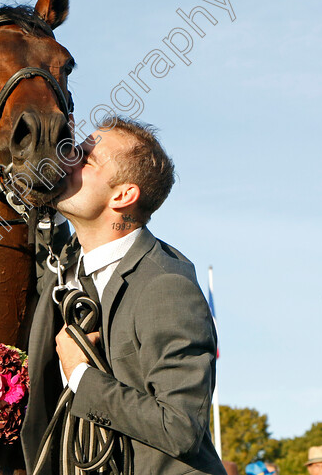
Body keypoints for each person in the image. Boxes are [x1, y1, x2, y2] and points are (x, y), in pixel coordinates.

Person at [22, 115, 225, 474]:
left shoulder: (166, 284)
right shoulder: (63, 263)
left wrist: (82, 376)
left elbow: (181, 427)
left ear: (123, 195)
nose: (69, 161)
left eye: (86, 159)